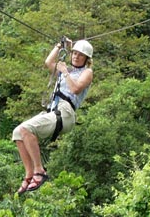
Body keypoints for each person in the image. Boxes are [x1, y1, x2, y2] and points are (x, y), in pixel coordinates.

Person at [12, 39, 94, 195]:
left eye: (80, 55)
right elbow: (48, 62)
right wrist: (59, 46)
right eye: (74, 53)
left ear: (86, 59)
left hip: (66, 113)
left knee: (26, 129)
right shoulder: (66, 69)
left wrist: (65, 72)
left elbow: (76, 89)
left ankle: (39, 171)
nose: (76, 57)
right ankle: (29, 174)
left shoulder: (86, 72)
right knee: (17, 132)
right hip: (54, 111)